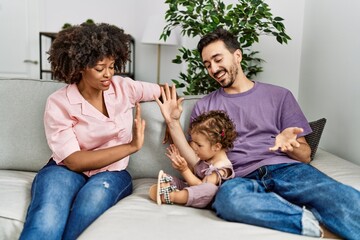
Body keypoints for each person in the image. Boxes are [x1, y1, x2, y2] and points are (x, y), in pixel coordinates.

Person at [156, 28, 360, 239]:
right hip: (239, 178)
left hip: (286, 169)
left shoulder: (280, 96)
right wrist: (172, 122)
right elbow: (197, 164)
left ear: (237, 55)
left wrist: (289, 145)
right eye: (207, 65)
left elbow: (305, 156)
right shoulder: (205, 106)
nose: (213, 69)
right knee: (229, 201)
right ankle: (313, 227)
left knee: (342, 197)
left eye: (217, 59)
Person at [19, 23, 161, 240]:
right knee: (46, 218)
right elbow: (74, 161)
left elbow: (165, 90)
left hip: (111, 173)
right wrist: (131, 147)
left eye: (112, 66)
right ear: (81, 66)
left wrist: (172, 117)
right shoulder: (59, 102)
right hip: (64, 169)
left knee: (86, 214)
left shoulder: (124, 87)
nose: (108, 74)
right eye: (99, 68)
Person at [149, 110, 237, 208]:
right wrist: (179, 162)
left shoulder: (222, 169)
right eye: (194, 142)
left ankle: (171, 196)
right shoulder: (206, 159)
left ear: (216, 147)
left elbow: (201, 186)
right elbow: (193, 179)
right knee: (177, 181)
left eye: (199, 145)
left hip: (208, 198)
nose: (194, 147)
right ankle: (169, 187)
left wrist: (184, 170)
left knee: (210, 190)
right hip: (193, 189)